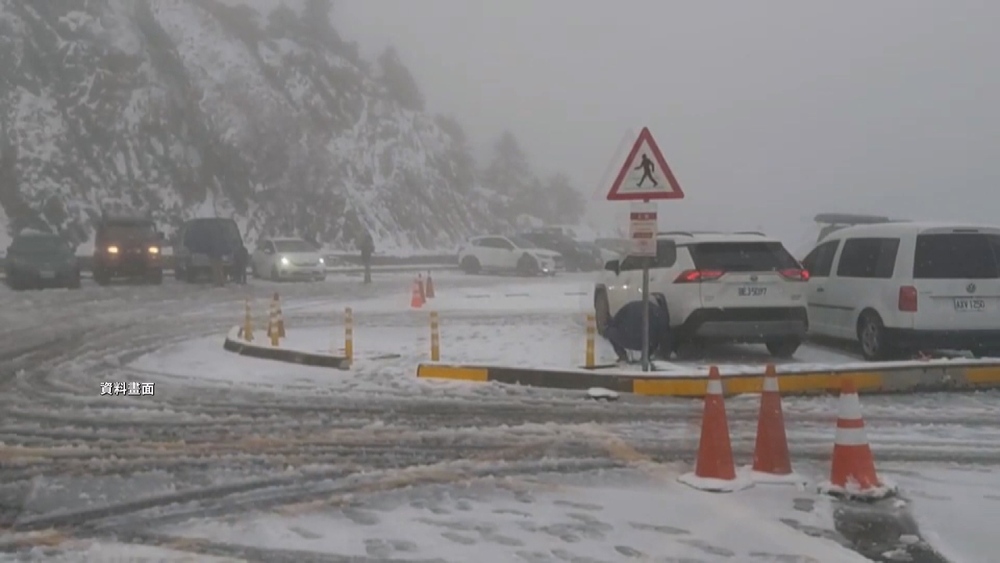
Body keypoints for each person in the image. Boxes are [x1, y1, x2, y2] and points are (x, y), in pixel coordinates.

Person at [603, 299, 671, 363]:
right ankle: (646, 356)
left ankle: (622, 355)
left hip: (636, 339)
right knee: (652, 335)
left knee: (609, 332)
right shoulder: (653, 309)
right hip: (649, 339)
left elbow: (613, 326)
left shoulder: (619, 316)